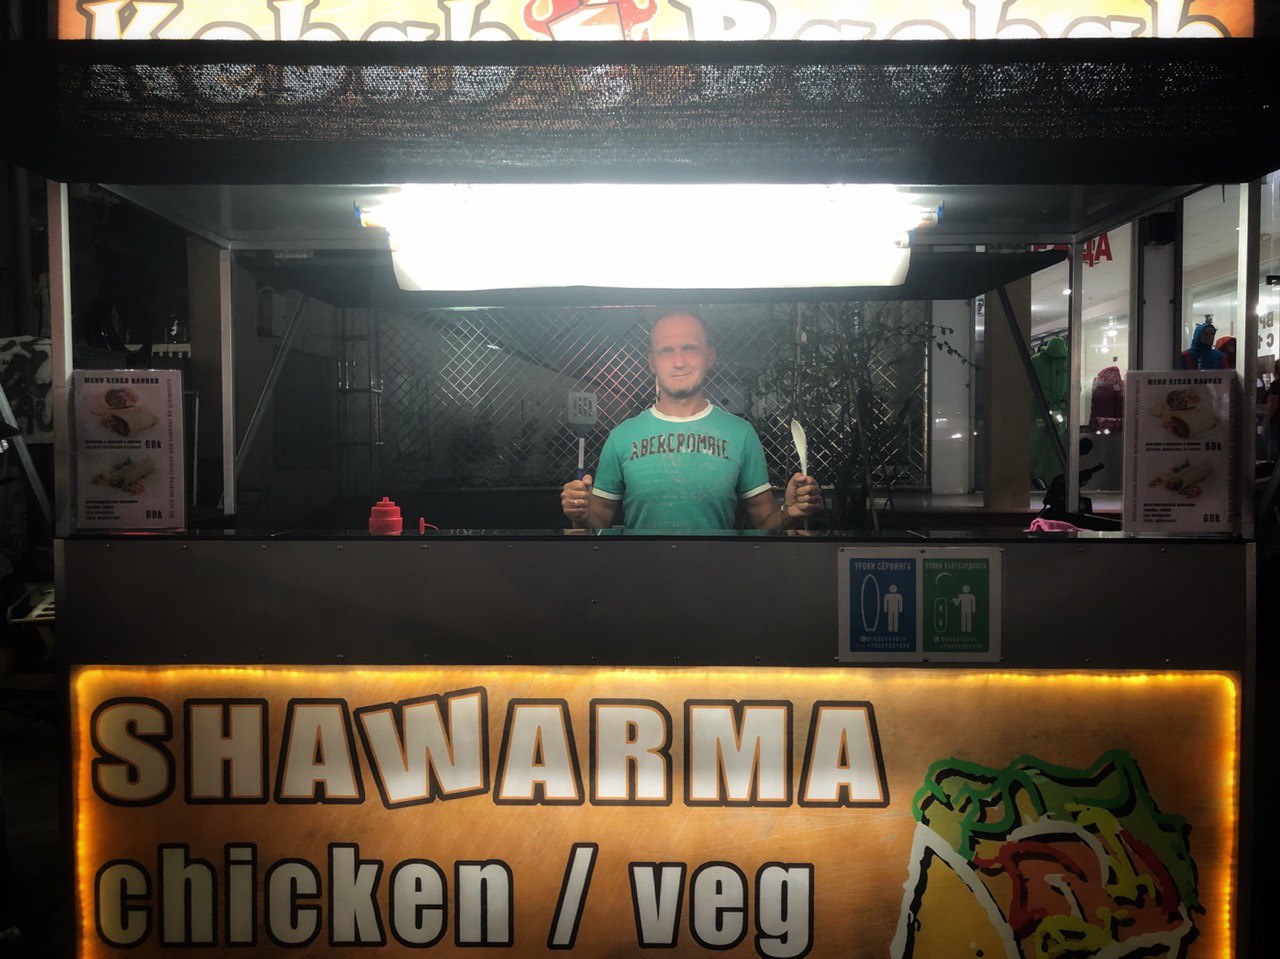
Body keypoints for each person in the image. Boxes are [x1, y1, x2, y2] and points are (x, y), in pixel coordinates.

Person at [560, 310, 822, 531]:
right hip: (639, 573)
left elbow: (765, 521)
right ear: (652, 362)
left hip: (718, 572)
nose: (679, 362)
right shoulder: (622, 437)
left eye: (689, 348)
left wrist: (789, 512)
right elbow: (599, 520)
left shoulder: (740, 433)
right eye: (666, 351)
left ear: (710, 356)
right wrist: (580, 512)